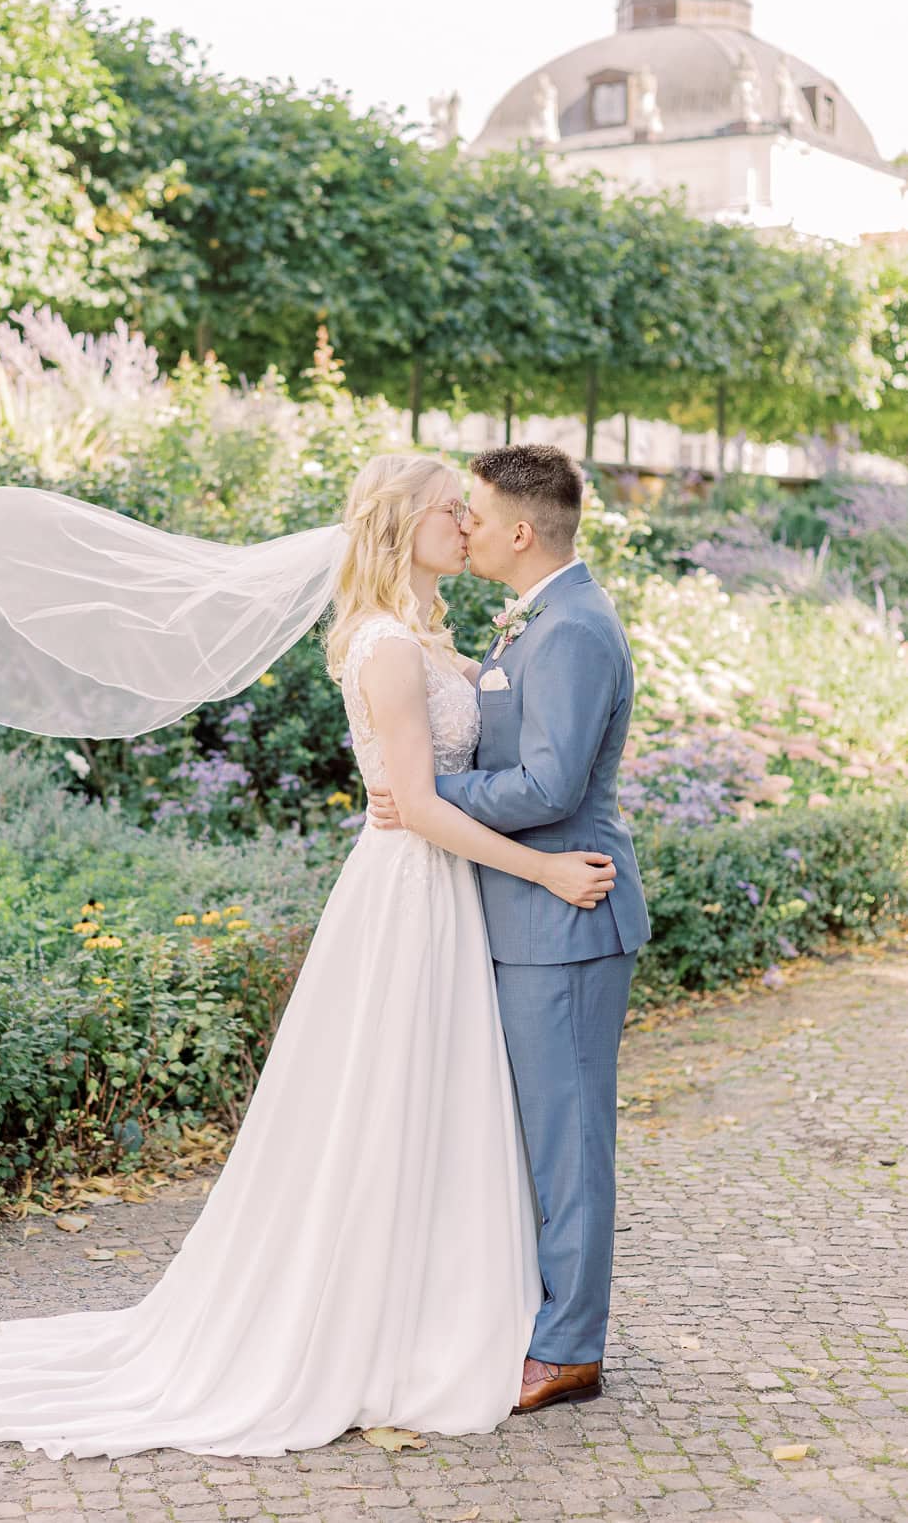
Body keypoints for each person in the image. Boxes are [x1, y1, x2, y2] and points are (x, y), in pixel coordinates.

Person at [0, 452, 619, 1459]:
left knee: (438, 1103)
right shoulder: (383, 644)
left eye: (470, 512)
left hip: (448, 894)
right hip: (413, 894)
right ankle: (375, 1329)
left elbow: (458, 771)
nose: (467, 523)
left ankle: (447, 1310)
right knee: (387, 1104)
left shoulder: (433, 632)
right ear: (402, 525)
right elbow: (416, 804)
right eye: (449, 511)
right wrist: (547, 874)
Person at [368, 445, 651, 1413]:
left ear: (522, 532)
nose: (467, 526)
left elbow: (549, 787)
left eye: (477, 515)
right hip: (514, 912)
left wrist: (427, 794)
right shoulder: (538, 619)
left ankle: (570, 1347)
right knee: (526, 1138)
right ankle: (525, 1314)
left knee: (566, 1144)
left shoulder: (570, 627)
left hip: (564, 915)